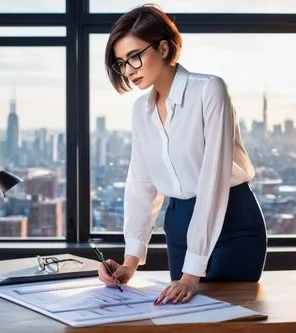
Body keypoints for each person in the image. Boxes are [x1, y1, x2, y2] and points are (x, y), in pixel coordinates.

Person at [97, 4, 267, 305]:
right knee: (185, 319)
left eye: (135, 56)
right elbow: (141, 183)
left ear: (163, 48)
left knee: (232, 318)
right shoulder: (141, 111)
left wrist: (191, 275)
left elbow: (212, 183)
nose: (129, 70)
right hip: (178, 225)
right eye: (121, 63)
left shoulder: (209, 91)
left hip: (233, 220)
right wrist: (130, 261)